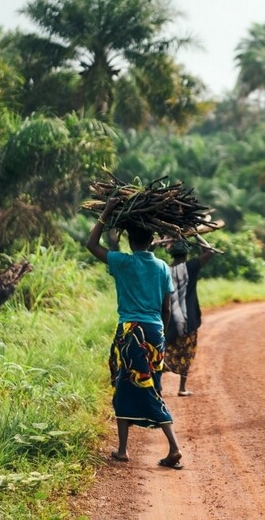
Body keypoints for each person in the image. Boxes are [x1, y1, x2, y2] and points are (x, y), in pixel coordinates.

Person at [86, 198, 183, 469]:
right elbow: (166, 307)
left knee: (136, 388)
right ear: (152, 240)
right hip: (155, 332)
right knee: (133, 387)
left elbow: (91, 245)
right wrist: (160, 335)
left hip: (131, 333)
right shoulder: (163, 267)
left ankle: (173, 448)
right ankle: (122, 449)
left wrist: (105, 212)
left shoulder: (123, 263)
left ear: (130, 241)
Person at [164, 241, 214, 397]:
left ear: (171, 254)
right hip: (188, 319)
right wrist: (197, 236)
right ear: (186, 254)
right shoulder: (191, 266)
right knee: (187, 352)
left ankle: (157, 385)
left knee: (165, 350)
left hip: (169, 319)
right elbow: (209, 251)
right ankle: (182, 387)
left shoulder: (165, 269)